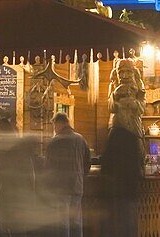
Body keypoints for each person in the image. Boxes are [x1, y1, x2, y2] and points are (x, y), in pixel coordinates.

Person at [100, 98, 144, 237]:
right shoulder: (132, 137)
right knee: (129, 223)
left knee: (111, 223)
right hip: (129, 188)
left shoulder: (113, 137)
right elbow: (137, 161)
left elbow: (106, 162)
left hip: (114, 188)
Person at [44, 113, 92, 237]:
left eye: (54, 125)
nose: (54, 129)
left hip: (60, 188)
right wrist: (80, 176)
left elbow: (48, 165)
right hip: (77, 186)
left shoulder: (55, 141)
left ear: (59, 123)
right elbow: (87, 163)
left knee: (62, 223)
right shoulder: (81, 139)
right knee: (76, 222)